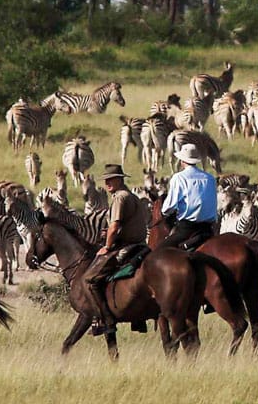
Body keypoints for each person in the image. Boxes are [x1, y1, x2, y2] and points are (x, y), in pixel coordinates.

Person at [74, 165, 149, 337]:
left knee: (89, 279)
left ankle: (105, 319)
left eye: (111, 179)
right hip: (141, 245)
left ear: (120, 179)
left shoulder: (119, 198)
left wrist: (107, 246)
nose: (107, 182)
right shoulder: (132, 196)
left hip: (124, 247)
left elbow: (114, 227)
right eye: (106, 180)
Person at [161, 143, 219, 251]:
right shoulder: (210, 178)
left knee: (158, 253)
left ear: (182, 161)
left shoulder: (179, 178)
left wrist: (165, 212)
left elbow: (168, 208)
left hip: (187, 230)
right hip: (208, 230)